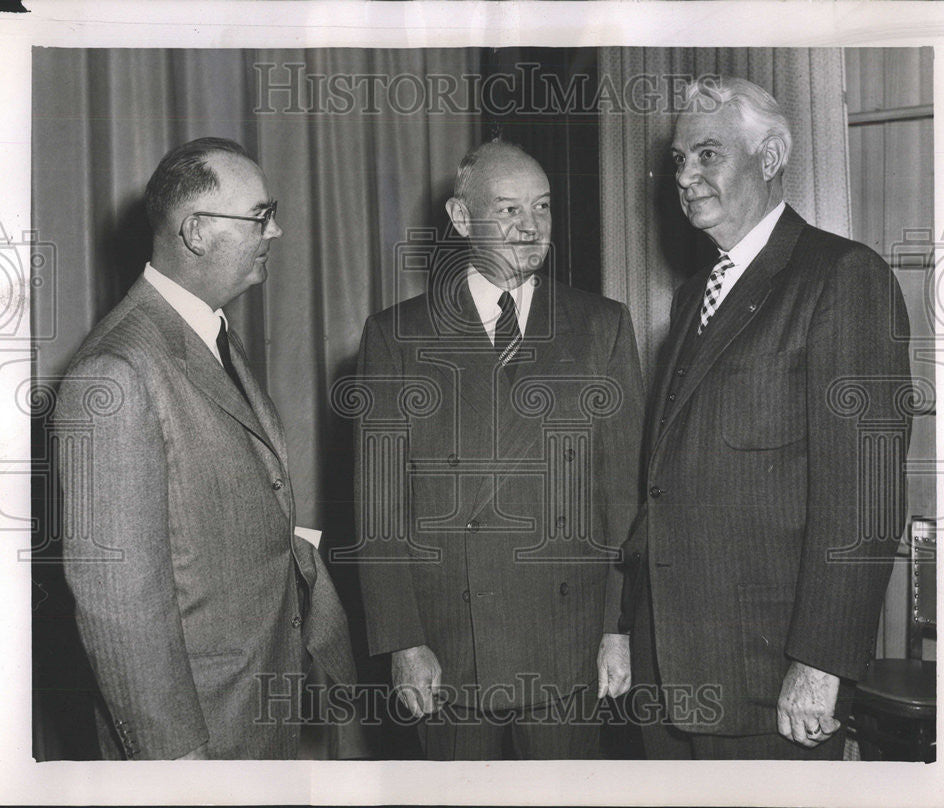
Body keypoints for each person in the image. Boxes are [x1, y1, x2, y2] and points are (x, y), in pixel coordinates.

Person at [624, 77, 913, 760]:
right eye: (677, 160)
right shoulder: (695, 294)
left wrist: (821, 663)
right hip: (670, 674)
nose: (685, 177)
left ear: (772, 155)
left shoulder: (843, 278)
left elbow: (865, 495)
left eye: (707, 155)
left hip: (769, 683)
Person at [56, 137, 354, 760]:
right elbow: (119, 602)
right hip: (197, 736)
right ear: (196, 232)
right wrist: (175, 760)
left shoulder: (207, 332)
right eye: (260, 216)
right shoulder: (115, 373)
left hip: (249, 712)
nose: (277, 230)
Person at [354, 141, 643, 759]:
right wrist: (402, 643)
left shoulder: (602, 326)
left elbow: (623, 497)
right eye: (508, 211)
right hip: (450, 646)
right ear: (461, 220)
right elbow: (379, 512)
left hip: (569, 642)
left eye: (540, 208)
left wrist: (618, 630)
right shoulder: (397, 336)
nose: (530, 227)